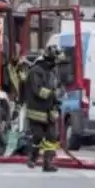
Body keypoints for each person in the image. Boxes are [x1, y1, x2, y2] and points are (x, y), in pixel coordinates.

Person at [24, 45, 63, 173]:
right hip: (37, 110)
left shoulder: (53, 71)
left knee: (52, 137)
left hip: (49, 111)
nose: (57, 64)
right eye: (56, 60)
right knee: (38, 136)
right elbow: (38, 90)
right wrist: (53, 94)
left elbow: (57, 87)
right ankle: (33, 158)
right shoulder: (36, 71)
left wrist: (57, 102)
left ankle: (48, 163)